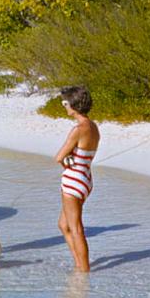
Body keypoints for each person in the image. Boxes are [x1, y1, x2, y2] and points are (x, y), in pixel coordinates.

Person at [54, 85, 100, 273]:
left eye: (65, 103)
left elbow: (58, 157)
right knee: (63, 224)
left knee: (75, 227)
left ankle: (84, 270)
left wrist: (66, 160)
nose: (64, 106)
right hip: (86, 178)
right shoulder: (93, 126)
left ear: (73, 104)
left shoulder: (78, 129)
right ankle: (79, 264)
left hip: (73, 180)